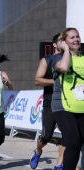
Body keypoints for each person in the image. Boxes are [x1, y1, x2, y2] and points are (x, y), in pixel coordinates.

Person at [29, 33, 65, 170]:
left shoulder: (71, 61)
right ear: (55, 44)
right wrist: (56, 82)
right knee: (46, 136)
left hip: (68, 104)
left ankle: (59, 164)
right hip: (50, 102)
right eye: (62, 41)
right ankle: (38, 151)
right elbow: (37, 80)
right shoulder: (47, 60)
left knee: (67, 135)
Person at [51, 27, 84, 170]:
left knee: (79, 143)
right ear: (64, 41)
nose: (76, 39)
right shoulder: (58, 58)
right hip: (63, 107)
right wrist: (65, 50)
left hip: (81, 106)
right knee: (73, 141)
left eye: (77, 36)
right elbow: (64, 68)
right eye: (71, 37)